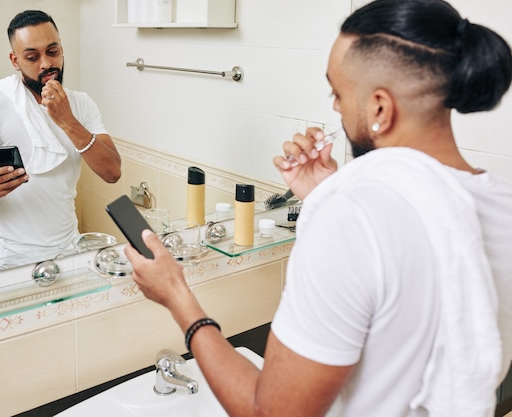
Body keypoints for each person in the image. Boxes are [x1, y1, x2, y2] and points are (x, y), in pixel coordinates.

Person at [123, 1, 512, 416]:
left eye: (338, 92)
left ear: (380, 108)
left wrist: (178, 297)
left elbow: (269, 413)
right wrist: (323, 193)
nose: (335, 108)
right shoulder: (500, 202)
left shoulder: (349, 216)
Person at [0, 10, 121, 263]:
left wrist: (68, 121)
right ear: (15, 60)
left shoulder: (82, 105)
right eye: (32, 57)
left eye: (52, 52)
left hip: (68, 251)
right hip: (9, 259)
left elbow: (112, 173)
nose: (46, 64)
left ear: (62, 50)